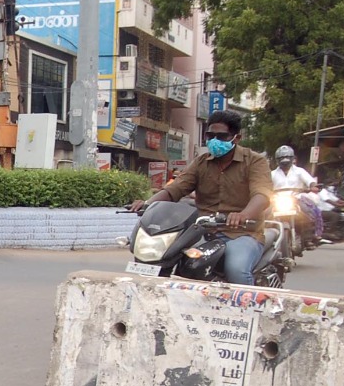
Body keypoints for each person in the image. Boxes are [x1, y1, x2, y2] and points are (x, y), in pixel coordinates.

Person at [129, 110, 272, 285]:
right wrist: (148, 204)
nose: (215, 141)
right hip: (202, 232)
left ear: (237, 138)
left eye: (222, 136)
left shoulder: (255, 161)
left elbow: (262, 194)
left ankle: (248, 310)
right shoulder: (201, 162)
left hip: (241, 233)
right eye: (210, 135)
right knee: (178, 262)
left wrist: (244, 215)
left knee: (236, 269)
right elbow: (176, 188)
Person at [270, 145, 323, 242]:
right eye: (281, 159)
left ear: (292, 159)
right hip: (277, 201)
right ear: (277, 160)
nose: (284, 161)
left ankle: (311, 236)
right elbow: (265, 185)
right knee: (264, 215)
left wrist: (313, 186)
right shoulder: (272, 174)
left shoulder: (299, 171)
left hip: (297, 198)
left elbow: (309, 181)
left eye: (287, 158)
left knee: (311, 211)